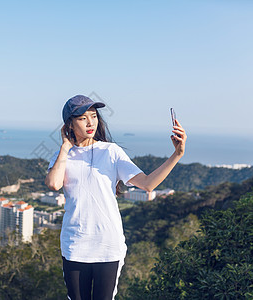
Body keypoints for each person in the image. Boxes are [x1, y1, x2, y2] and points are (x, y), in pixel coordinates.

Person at [45, 95, 187, 300]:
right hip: (75, 245)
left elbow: (148, 184)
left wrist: (177, 154)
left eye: (93, 116)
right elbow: (53, 183)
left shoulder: (111, 151)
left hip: (107, 246)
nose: (90, 122)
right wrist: (66, 146)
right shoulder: (63, 156)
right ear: (69, 124)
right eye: (82, 118)